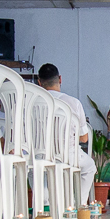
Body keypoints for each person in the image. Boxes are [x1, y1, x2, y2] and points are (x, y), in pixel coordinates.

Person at [38, 63, 97, 205]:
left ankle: (44, 204)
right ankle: (78, 205)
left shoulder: (31, 102)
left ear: (39, 82)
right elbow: (84, 138)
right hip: (68, 156)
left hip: (39, 155)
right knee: (89, 168)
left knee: (35, 169)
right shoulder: (73, 103)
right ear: (60, 79)